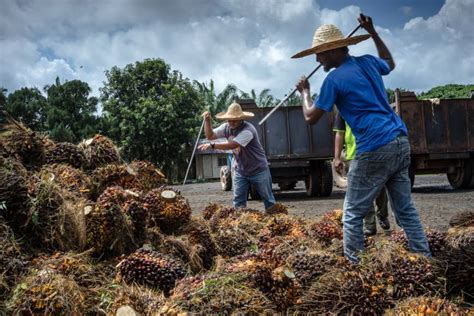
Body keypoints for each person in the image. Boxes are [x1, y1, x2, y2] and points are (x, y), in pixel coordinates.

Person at [292, 14, 431, 262]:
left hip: (375, 146)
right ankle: (424, 257)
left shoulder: (333, 79)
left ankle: (356, 269)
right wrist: (373, 31)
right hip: (399, 141)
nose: (317, 58)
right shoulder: (368, 62)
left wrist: (304, 93)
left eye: (320, 53)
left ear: (333, 50)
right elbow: (389, 62)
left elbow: (310, 117)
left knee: (352, 213)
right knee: (405, 209)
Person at [198, 102, 276, 211]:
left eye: (234, 120)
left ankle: (276, 219)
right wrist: (207, 121)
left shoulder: (248, 130)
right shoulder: (226, 127)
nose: (231, 122)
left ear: (241, 119)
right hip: (241, 171)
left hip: (259, 169)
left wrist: (212, 146)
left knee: (268, 199)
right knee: (238, 201)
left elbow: (232, 145)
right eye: (229, 119)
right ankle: (239, 223)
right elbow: (210, 136)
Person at [333, 111, 390, 236]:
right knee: (363, 192)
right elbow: (339, 133)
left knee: (380, 188)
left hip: (374, 152)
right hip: (353, 156)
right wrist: (337, 157)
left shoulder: (369, 104)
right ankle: (370, 225)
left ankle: (382, 214)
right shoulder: (342, 111)